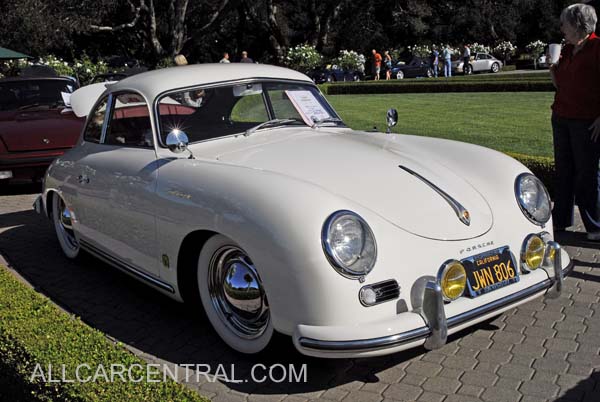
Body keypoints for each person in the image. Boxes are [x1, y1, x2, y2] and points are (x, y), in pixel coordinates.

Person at [550, 3, 600, 239]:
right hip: (561, 117)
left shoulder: (597, 47)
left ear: (578, 25)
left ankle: (594, 225)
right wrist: (552, 68)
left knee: (586, 172)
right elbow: (561, 84)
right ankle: (560, 221)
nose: (562, 27)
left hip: (586, 120)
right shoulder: (568, 50)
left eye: (565, 23)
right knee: (564, 170)